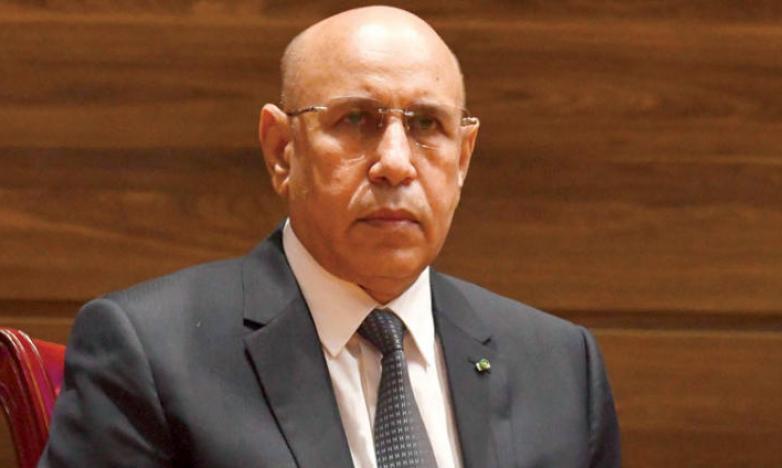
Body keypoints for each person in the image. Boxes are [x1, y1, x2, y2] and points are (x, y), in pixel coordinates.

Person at [39, 6, 619, 468]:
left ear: (462, 158)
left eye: (426, 125)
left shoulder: (561, 367)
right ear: (281, 151)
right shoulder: (151, 351)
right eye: (357, 120)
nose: (396, 163)